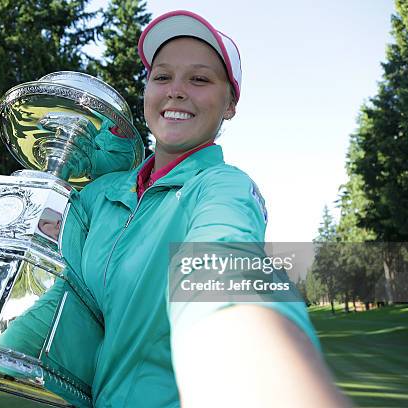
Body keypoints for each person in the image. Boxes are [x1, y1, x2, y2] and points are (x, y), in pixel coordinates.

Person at [60, 10, 349, 407]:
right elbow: (58, 310)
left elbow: (225, 269)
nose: (176, 90)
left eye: (199, 79)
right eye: (162, 77)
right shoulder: (100, 195)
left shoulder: (221, 187)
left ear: (230, 104)